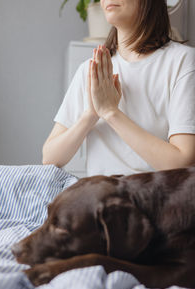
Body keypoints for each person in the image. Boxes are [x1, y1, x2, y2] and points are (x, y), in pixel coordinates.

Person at [42, 0, 195, 177]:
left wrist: (110, 112)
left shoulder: (182, 61)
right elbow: (50, 158)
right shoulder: (91, 69)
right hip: (101, 195)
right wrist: (91, 115)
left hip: (155, 195)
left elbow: (183, 162)